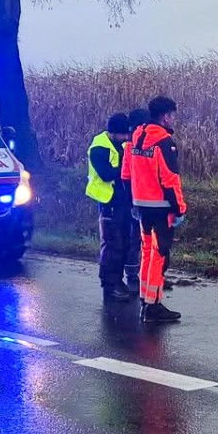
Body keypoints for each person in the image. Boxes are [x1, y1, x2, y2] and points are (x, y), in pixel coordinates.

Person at [123, 96, 186, 323]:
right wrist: (179, 208)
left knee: (148, 253)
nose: (173, 120)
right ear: (165, 116)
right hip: (161, 208)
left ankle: (146, 299)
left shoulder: (136, 138)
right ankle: (153, 306)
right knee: (160, 255)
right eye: (172, 115)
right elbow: (170, 179)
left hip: (142, 206)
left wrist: (134, 201)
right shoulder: (163, 142)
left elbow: (126, 175)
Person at [87, 111, 139, 301]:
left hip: (123, 202)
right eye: (123, 134)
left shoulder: (121, 144)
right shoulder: (99, 147)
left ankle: (119, 281)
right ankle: (109, 284)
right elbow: (107, 174)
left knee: (124, 243)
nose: (126, 138)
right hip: (108, 203)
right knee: (112, 246)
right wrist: (126, 169)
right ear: (113, 132)